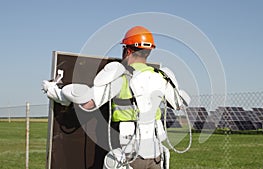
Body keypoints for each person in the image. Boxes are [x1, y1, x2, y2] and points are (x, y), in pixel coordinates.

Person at [42, 26, 190, 169]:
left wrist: (56, 91)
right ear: (148, 52)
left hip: (130, 157)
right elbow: (179, 104)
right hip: (155, 156)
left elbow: (87, 103)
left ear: (127, 50)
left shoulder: (120, 76)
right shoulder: (161, 77)